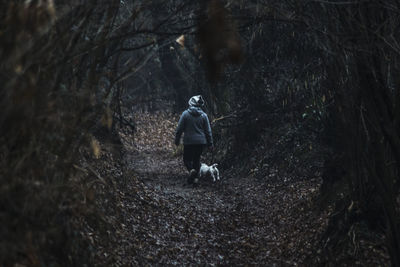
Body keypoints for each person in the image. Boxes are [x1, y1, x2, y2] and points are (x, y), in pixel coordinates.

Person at [175, 95, 213, 184]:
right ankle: (195, 179)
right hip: (200, 142)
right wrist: (210, 143)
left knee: (186, 159)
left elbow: (179, 129)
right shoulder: (204, 115)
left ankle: (191, 170)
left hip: (189, 142)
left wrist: (177, 140)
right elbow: (208, 131)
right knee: (197, 159)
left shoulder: (185, 114)